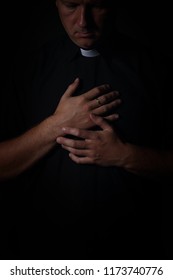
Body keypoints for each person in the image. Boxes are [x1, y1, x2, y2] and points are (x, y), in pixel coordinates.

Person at [0, 0, 172, 259]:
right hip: (41, 257)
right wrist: (55, 125)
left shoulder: (156, 70)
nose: (83, 22)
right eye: (71, 5)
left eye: (98, 5)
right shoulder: (27, 70)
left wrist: (125, 155)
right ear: (56, 3)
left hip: (134, 256)